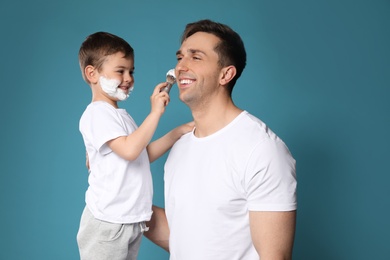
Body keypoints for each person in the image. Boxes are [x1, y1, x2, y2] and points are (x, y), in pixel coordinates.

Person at [144, 20, 297, 259]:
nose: (180, 67)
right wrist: (121, 195)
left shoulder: (262, 149)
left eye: (195, 58)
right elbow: (184, 239)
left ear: (226, 74)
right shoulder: (180, 146)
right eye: (180, 57)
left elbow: (274, 256)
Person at [76, 32, 193, 260]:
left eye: (131, 71)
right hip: (108, 223)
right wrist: (155, 112)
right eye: (120, 71)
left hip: (129, 219)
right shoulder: (97, 113)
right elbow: (130, 151)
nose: (128, 77)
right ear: (92, 73)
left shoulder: (120, 116)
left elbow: (140, 154)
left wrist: (176, 133)